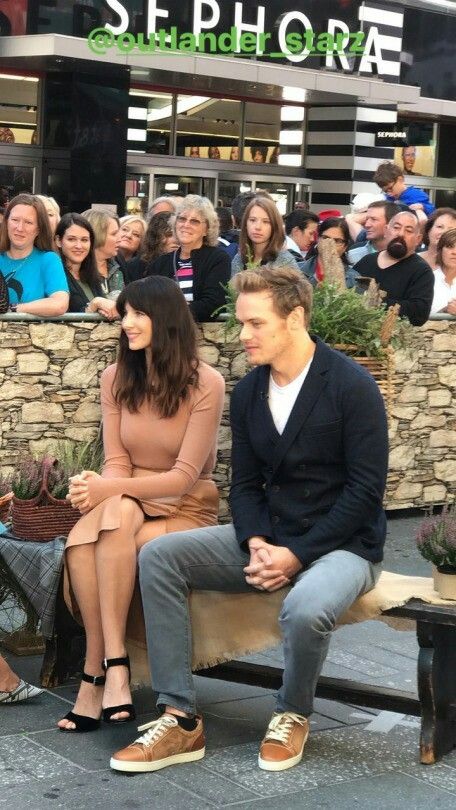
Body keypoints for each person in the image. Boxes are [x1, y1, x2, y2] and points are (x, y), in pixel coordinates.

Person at [110, 264, 388, 774]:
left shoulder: (352, 385)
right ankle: (180, 718)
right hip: (270, 537)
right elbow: (244, 484)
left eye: (255, 324)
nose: (243, 336)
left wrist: (296, 554)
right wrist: (258, 539)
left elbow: (365, 493)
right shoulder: (249, 392)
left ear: (295, 317)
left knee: (306, 607)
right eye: (241, 323)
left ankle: (292, 713)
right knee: (158, 557)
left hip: (345, 547)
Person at [58, 276, 225, 733]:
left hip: (186, 505)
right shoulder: (114, 376)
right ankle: (114, 664)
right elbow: (117, 462)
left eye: (137, 314)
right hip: (130, 498)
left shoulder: (206, 382)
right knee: (102, 529)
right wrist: (106, 488)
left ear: (166, 318)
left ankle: (96, 677)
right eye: (124, 313)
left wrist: (103, 491)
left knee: (89, 544)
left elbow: (184, 477)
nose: (126, 323)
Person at [145, 195, 230, 322]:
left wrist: (170, 311)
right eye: (182, 219)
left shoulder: (218, 259)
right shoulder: (160, 263)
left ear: (206, 229)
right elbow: (148, 300)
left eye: (194, 221)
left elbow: (213, 304)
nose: (186, 225)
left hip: (200, 336)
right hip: (162, 334)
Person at [353, 211, 434, 326]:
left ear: (418, 239)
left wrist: (376, 302)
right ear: (386, 231)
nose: (401, 234)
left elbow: (419, 313)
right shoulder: (367, 261)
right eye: (396, 227)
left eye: (409, 230)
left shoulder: (421, 271)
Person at [0, 193, 69, 316]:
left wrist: (13, 308)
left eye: (28, 222)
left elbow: (60, 304)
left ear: (38, 229)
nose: (20, 228)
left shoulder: (48, 260)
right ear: (6, 222)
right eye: (15, 220)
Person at [55, 213, 115, 316]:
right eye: (71, 239)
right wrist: (94, 305)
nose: (79, 246)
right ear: (58, 241)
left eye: (84, 240)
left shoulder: (92, 275)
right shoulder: (54, 275)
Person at [231, 196, 300, 275]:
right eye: (252, 220)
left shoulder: (285, 261)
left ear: (274, 226)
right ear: (245, 224)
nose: (258, 227)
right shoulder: (238, 259)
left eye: (266, 222)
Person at [81, 209, 124, 316]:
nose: (120, 238)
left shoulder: (119, 262)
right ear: (96, 235)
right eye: (114, 234)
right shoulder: (76, 269)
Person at [299, 217, 358, 288]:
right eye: (325, 238)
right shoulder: (296, 270)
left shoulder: (354, 279)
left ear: (345, 246)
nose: (330, 244)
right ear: (318, 239)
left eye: (337, 241)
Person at [125, 212, 178, 283]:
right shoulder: (135, 266)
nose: (177, 240)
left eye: (178, 234)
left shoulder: (187, 263)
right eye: (169, 234)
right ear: (156, 237)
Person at [420, 207, 456, 271]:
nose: (444, 232)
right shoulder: (410, 260)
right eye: (440, 227)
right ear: (429, 230)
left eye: (450, 229)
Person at [431, 228, 456, 315]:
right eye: (450, 247)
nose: (454, 252)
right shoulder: (427, 280)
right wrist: (445, 310)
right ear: (440, 250)